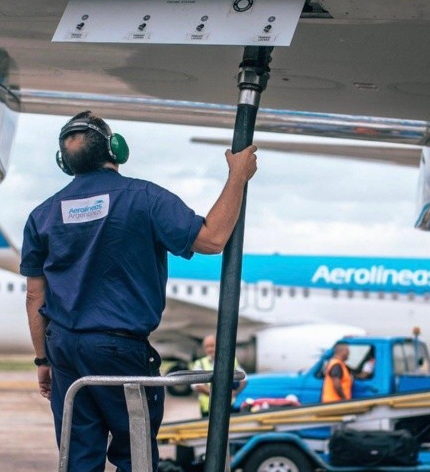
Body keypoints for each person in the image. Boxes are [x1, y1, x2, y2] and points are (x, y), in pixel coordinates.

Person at [21, 110, 257, 472]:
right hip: (119, 350)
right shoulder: (143, 198)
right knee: (137, 457)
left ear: (64, 163)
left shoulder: (42, 215)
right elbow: (212, 239)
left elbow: (35, 297)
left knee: (78, 457)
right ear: (116, 149)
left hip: (64, 351)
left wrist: (43, 360)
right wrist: (237, 177)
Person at [190, 334, 247, 418]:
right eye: (207, 347)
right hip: (208, 409)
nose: (210, 349)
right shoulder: (200, 363)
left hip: (229, 407)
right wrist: (218, 395)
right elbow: (197, 385)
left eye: (212, 346)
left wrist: (234, 393)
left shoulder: (231, 360)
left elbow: (244, 379)